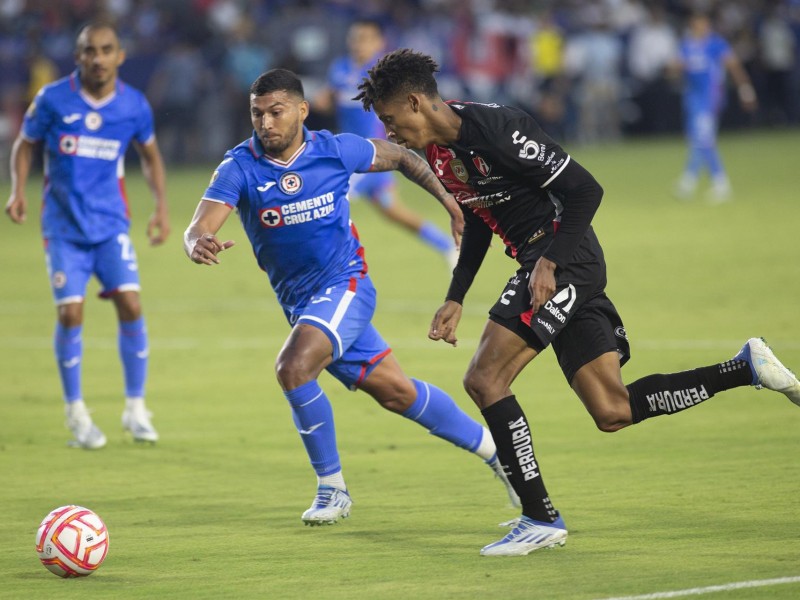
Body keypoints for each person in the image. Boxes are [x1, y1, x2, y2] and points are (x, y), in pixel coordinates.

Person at [356, 49, 800, 556]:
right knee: (612, 409)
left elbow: (587, 190)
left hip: (563, 259)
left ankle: (539, 517)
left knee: (484, 378)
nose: (390, 133)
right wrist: (455, 296)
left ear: (415, 103)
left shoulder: (500, 129)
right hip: (551, 265)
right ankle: (746, 368)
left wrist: (548, 263)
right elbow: (478, 218)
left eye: (391, 120)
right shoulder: (441, 152)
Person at [183, 68, 519, 525]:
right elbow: (201, 224)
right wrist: (197, 242)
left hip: (347, 285)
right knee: (398, 393)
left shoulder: (336, 150)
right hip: (302, 305)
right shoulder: (239, 167)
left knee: (293, 367)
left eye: (276, 112)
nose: (265, 123)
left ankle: (332, 490)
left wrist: (450, 201)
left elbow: (403, 156)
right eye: (257, 114)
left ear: (302, 110)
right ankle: (501, 455)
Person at [5, 21, 170, 449]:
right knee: (70, 314)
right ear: (78, 56)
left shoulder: (134, 105)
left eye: (106, 49)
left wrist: (161, 208)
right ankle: (76, 412)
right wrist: (18, 190)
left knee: (131, 304)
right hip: (62, 228)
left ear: (120, 55)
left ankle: (136, 409)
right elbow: (25, 143)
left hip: (111, 224)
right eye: (89, 50)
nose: (97, 58)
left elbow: (150, 155)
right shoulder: (53, 98)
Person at [314, 19, 457, 269]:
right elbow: (326, 98)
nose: (358, 44)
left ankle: (327, 263)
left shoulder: (382, 74)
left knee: (328, 198)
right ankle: (448, 247)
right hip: (349, 153)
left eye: (365, 38)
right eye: (355, 38)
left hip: (374, 153)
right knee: (394, 211)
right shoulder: (340, 68)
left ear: (379, 42)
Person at [671, 12, 758, 202]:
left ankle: (715, 181)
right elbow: (675, 71)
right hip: (692, 98)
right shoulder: (686, 46)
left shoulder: (716, 44)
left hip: (710, 97)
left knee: (703, 138)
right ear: (692, 25)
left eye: (705, 24)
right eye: (698, 24)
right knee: (698, 139)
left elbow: (734, 67)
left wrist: (745, 89)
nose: (702, 27)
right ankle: (693, 180)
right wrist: (675, 68)